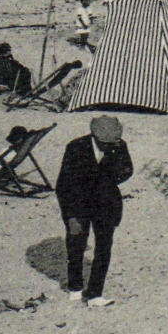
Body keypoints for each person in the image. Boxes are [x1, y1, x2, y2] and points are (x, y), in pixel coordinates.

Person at [54, 116, 134, 307]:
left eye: (112, 142)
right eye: (105, 143)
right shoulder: (76, 147)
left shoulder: (119, 146)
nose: (109, 146)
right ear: (95, 137)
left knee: (104, 248)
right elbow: (63, 185)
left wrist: (107, 177)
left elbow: (128, 169)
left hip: (106, 205)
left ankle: (95, 293)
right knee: (76, 245)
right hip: (79, 204)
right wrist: (71, 217)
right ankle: (75, 288)